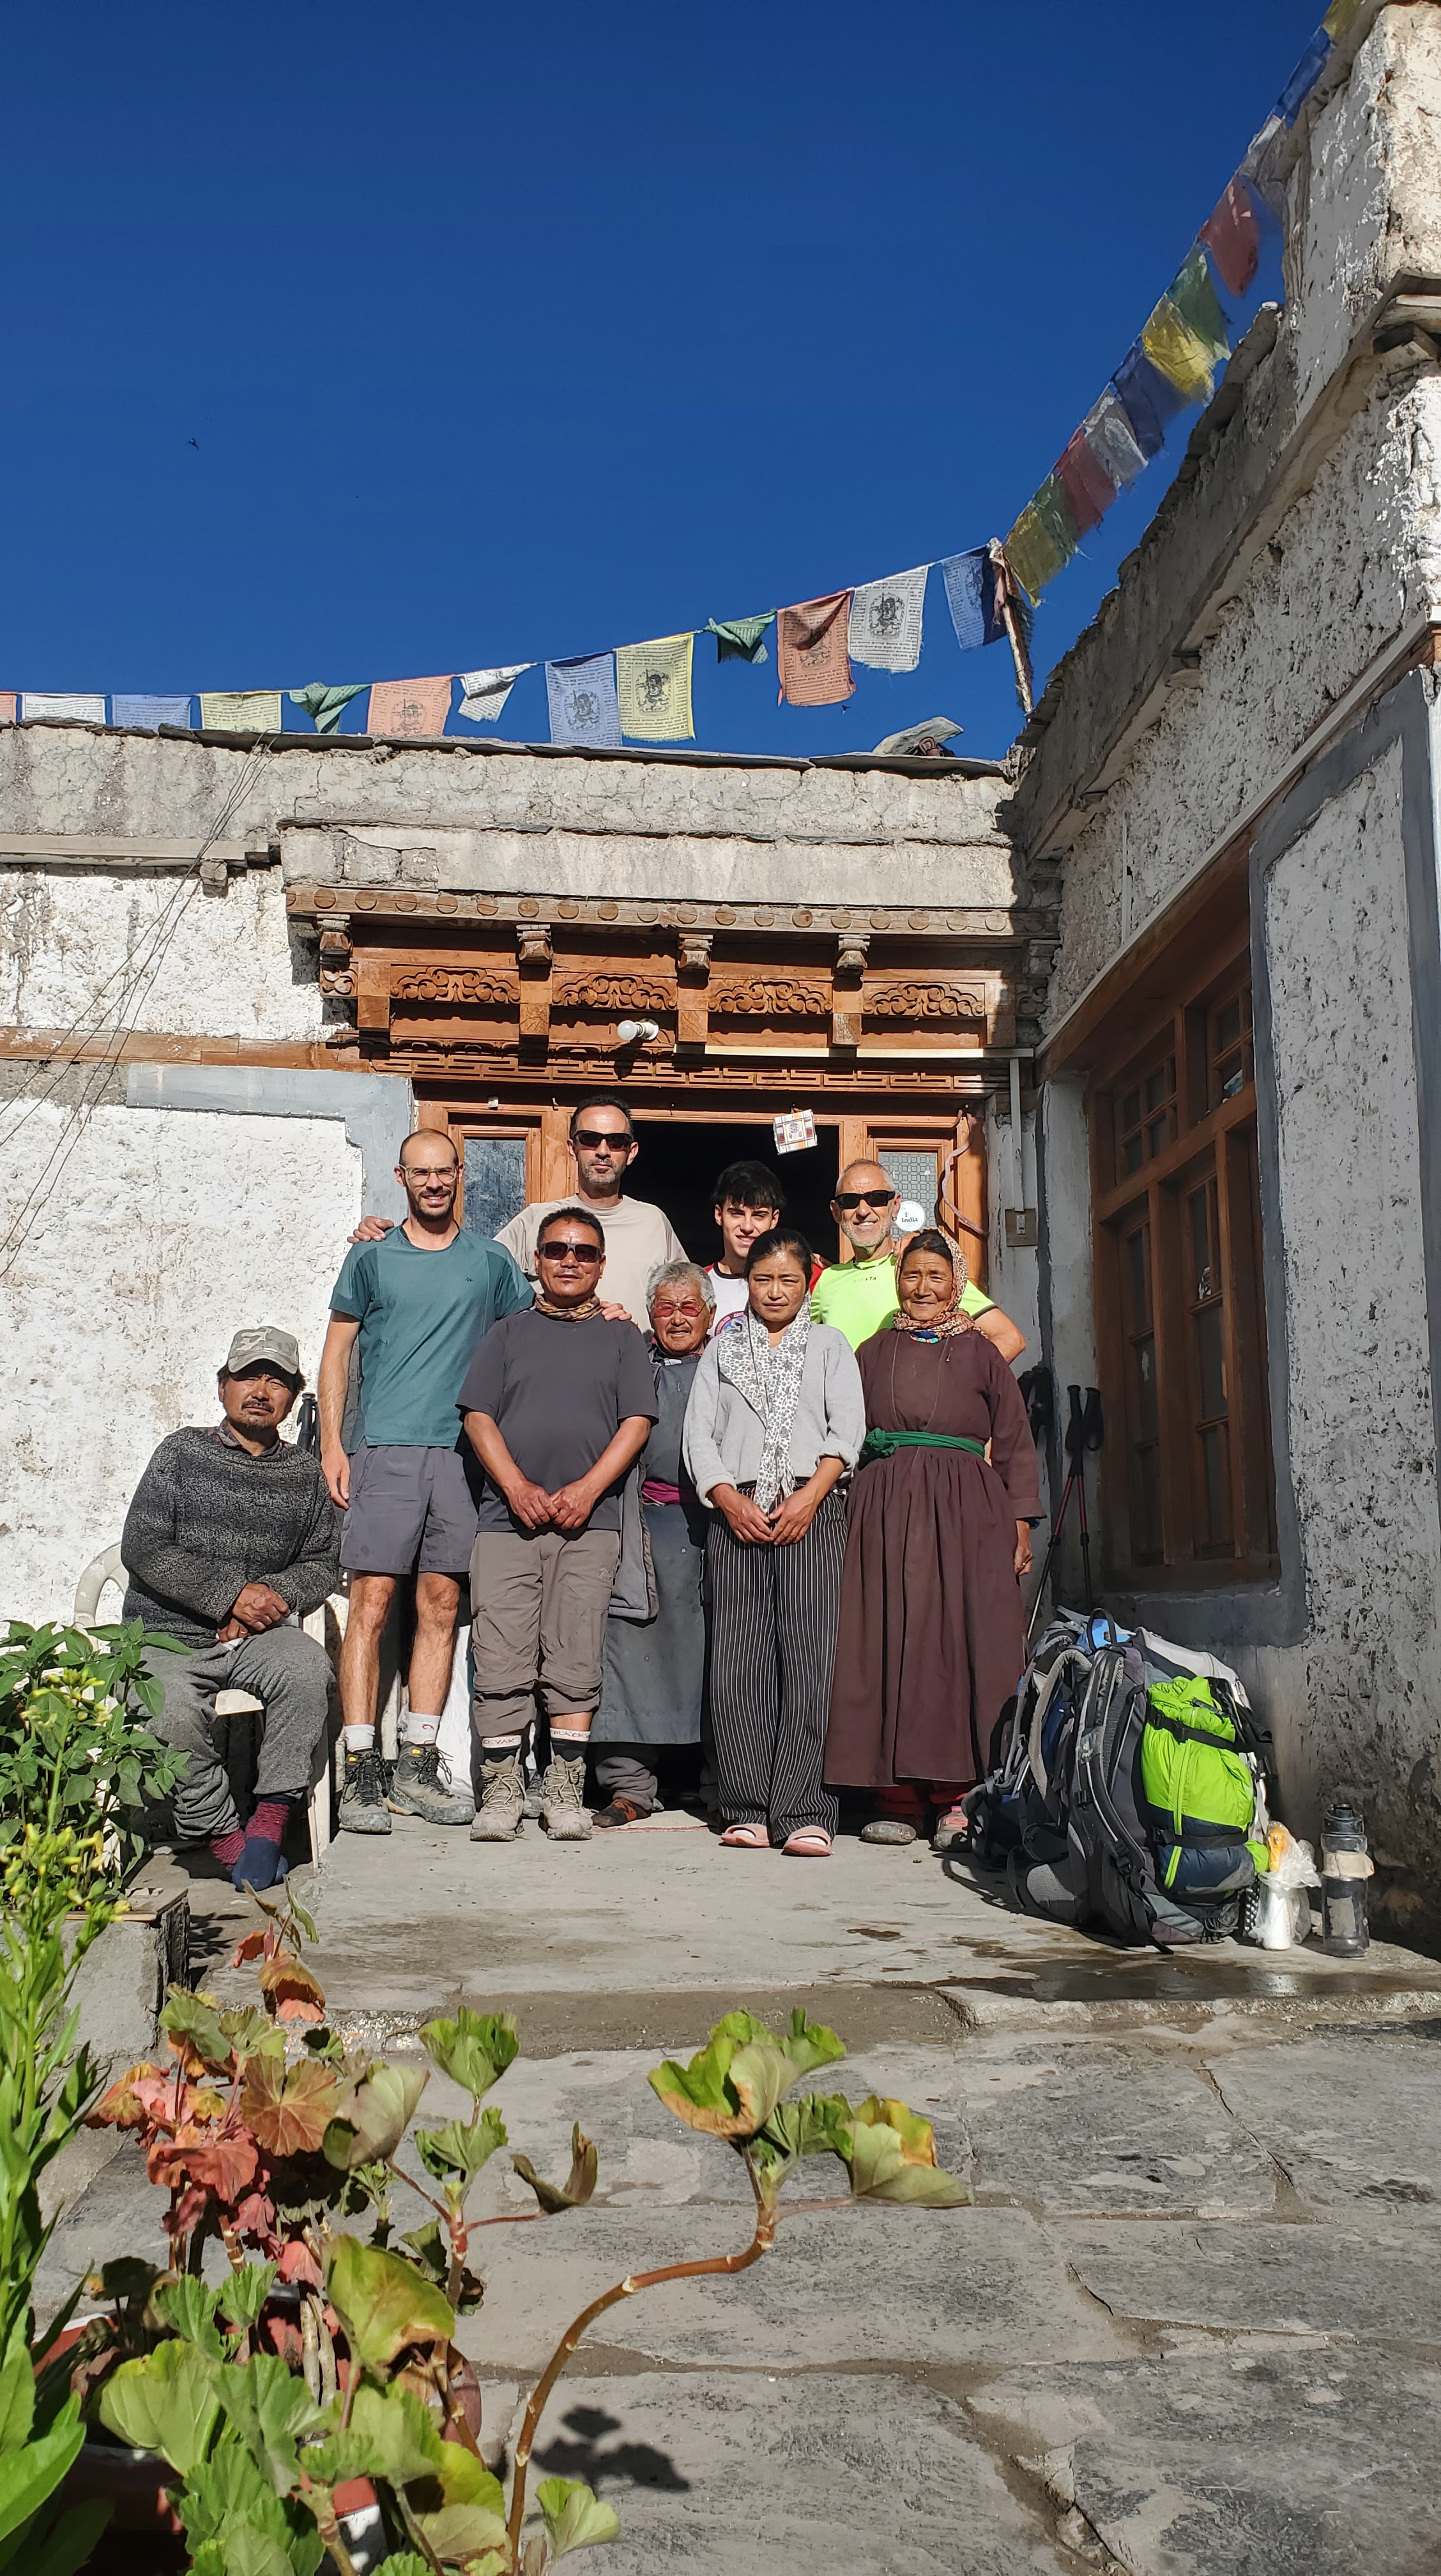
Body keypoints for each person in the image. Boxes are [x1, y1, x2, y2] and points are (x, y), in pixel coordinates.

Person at [319, 1130, 532, 1837]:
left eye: (445, 1172)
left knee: (441, 1605)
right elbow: (337, 1354)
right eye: (421, 1173)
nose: (434, 1184)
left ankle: (416, 1765)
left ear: (460, 1174)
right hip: (384, 1449)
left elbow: (529, 1345)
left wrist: (606, 1313)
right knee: (372, 1603)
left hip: (463, 1456)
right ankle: (360, 1768)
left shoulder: (492, 1262)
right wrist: (333, 1445)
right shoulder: (371, 1256)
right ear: (401, 1176)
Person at [825, 1229, 1041, 1848]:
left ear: (956, 1286)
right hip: (884, 1510)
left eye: (936, 1277)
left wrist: (1020, 1523)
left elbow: (1015, 1441)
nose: (922, 1288)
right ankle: (895, 1798)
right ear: (899, 1282)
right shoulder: (870, 1352)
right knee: (885, 1638)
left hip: (968, 1515)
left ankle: (958, 1798)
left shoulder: (981, 1355)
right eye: (912, 1275)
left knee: (959, 1641)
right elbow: (840, 1428)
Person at [461, 1207, 658, 1844]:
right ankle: (501, 1789)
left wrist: (588, 1489)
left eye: (583, 1251)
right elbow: (477, 1417)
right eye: (556, 1250)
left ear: (601, 1265)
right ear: (537, 1260)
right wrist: (516, 1487)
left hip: (590, 1524)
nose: (569, 1260)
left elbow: (636, 1422)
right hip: (505, 1522)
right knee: (501, 1656)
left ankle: (564, 1789)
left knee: (575, 1655)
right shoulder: (507, 1333)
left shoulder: (623, 1338)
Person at [120, 1328, 341, 1890]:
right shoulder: (180, 1453)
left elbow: (320, 1563)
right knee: (168, 1708)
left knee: (307, 1671)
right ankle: (224, 1837)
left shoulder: (304, 1474)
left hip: (259, 1636)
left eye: (277, 1382)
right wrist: (229, 1596)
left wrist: (263, 1600)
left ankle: (269, 1824)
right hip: (167, 1635)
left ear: (292, 1397)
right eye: (247, 1377)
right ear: (223, 1386)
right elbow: (144, 1546)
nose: (260, 1391)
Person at [683, 1228, 864, 1857]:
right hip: (737, 1512)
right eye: (764, 1279)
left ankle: (805, 1808)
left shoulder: (830, 1346)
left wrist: (810, 1497)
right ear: (748, 1283)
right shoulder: (723, 1349)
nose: (776, 1291)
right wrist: (727, 1498)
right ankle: (747, 1807)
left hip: (812, 1508)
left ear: (807, 1281)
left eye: (789, 1279)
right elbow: (699, 1435)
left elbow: (847, 1431)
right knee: (740, 1662)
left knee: (811, 1660)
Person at [591, 1260, 714, 1826]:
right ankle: (630, 1787)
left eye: (690, 1307)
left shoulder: (730, 1367)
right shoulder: (630, 1363)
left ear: (710, 1314)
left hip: (714, 1530)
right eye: (666, 1307)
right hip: (639, 1528)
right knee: (628, 1654)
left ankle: (718, 1785)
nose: (678, 1318)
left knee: (720, 1659)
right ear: (650, 1314)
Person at [494, 1097, 687, 1328]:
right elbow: (485, 1286)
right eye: (590, 1139)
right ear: (572, 1148)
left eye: (616, 1141)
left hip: (633, 1350)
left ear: (631, 1152)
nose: (603, 1151)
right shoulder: (536, 1219)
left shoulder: (653, 1221)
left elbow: (685, 1296)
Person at [810, 1158, 1026, 1363]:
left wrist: (956, 1381)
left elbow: (1009, 1339)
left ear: (895, 1206)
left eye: (876, 1198)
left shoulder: (920, 1271)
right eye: (850, 1201)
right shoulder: (827, 1280)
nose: (863, 1211)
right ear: (836, 1212)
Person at [706, 1160, 784, 1331]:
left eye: (759, 1215)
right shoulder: (698, 1284)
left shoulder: (804, 1280)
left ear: (774, 1219)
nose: (747, 1227)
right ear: (719, 1215)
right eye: (737, 1214)